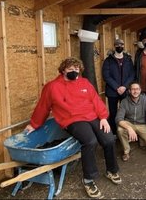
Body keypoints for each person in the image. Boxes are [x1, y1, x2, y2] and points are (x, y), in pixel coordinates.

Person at [25, 57, 121, 199]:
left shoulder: (85, 83)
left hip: (92, 116)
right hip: (71, 119)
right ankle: (88, 180)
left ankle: (111, 170)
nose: (74, 71)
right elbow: (43, 107)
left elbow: (96, 100)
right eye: (70, 69)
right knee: (90, 141)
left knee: (109, 139)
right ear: (63, 70)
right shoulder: (52, 87)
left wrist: (103, 118)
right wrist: (34, 124)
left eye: (76, 69)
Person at [116, 81, 146, 162]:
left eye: (137, 89)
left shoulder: (145, 100)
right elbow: (118, 118)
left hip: (142, 124)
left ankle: (140, 139)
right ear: (129, 91)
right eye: (133, 89)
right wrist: (129, 128)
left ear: (140, 90)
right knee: (120, 130)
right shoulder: (124, 101)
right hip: (130, 123)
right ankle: (126, 151)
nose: (135, 91)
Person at [102, 38, 135, 135]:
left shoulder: (128, 59)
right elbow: (106, 76)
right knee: (113, 112)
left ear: (124, 46)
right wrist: (117, 87)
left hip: (125, 90)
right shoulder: (108, 60)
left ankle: (126, 131)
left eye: (121, 45)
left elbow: (132, 74)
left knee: (126, 112)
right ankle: (114, 132)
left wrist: (124, 86)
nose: (119, 47)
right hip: (112, 91)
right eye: (117, 45)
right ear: (114, 46)